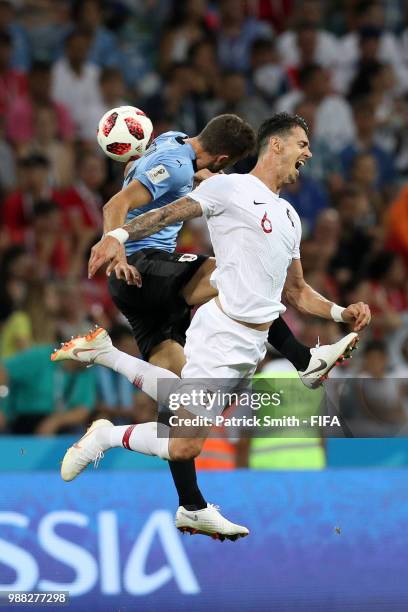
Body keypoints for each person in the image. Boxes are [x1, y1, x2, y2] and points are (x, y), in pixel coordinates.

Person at [52, 113, 371, 536]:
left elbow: (296, 292)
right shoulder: (228, 186)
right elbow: (166, 214)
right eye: (301, 143)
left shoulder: (291, 217)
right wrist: (119, 238)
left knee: (175, 392)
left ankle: (108, 358)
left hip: (248, 347)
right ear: (274, 145)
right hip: (217, 331)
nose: (308, 153)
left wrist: (338, 313)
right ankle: (109, 439)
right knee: (185, 440)